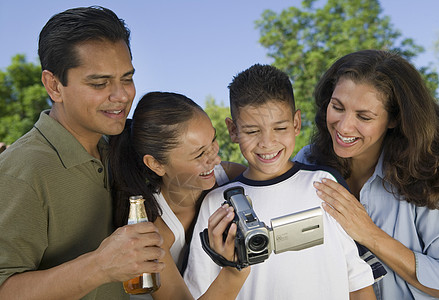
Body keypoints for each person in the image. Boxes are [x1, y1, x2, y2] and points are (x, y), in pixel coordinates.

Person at [0, 6, 164, 300]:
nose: (122, 95)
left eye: (126, 78)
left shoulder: (117, 150)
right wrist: (100, 266)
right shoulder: (20, 171)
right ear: (54, 85)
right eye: (99, 83)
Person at [184, 64, 376, 299]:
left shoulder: (325, 185)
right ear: (233, 130)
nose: (267, 142)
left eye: (280, 127)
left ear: (296, 123)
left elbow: (359, 281)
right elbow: (199, 291)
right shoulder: (216, 205)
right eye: (253, 131)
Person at [294, 49, 439, 299]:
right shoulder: (308, 161)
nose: (343, 126)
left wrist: (369, 234)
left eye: (364, 116)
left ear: (394, 119)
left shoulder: (432, 173)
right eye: (337, 107)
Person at [109, 91, 250, 299]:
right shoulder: (153, 229)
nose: (216, 159)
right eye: (200, 154)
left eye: (213, 141)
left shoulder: (229, 177)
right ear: (156, 164)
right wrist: (234, 270)